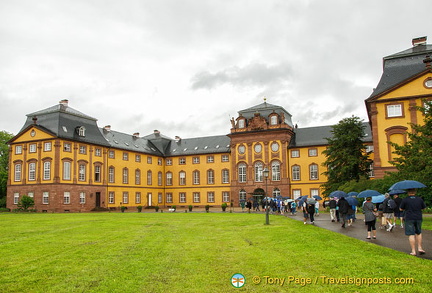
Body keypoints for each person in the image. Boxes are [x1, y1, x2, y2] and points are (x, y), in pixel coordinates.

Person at [399, 188, 426, 256]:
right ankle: (420, 248)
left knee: (411, 234)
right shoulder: (420, 199)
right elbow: (424, 208)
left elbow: (401, 208)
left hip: (409, 217)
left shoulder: (405, 200)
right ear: (415, 192)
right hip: (418, 217)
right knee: (418, 232)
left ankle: (413, 250)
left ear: (408, 193)